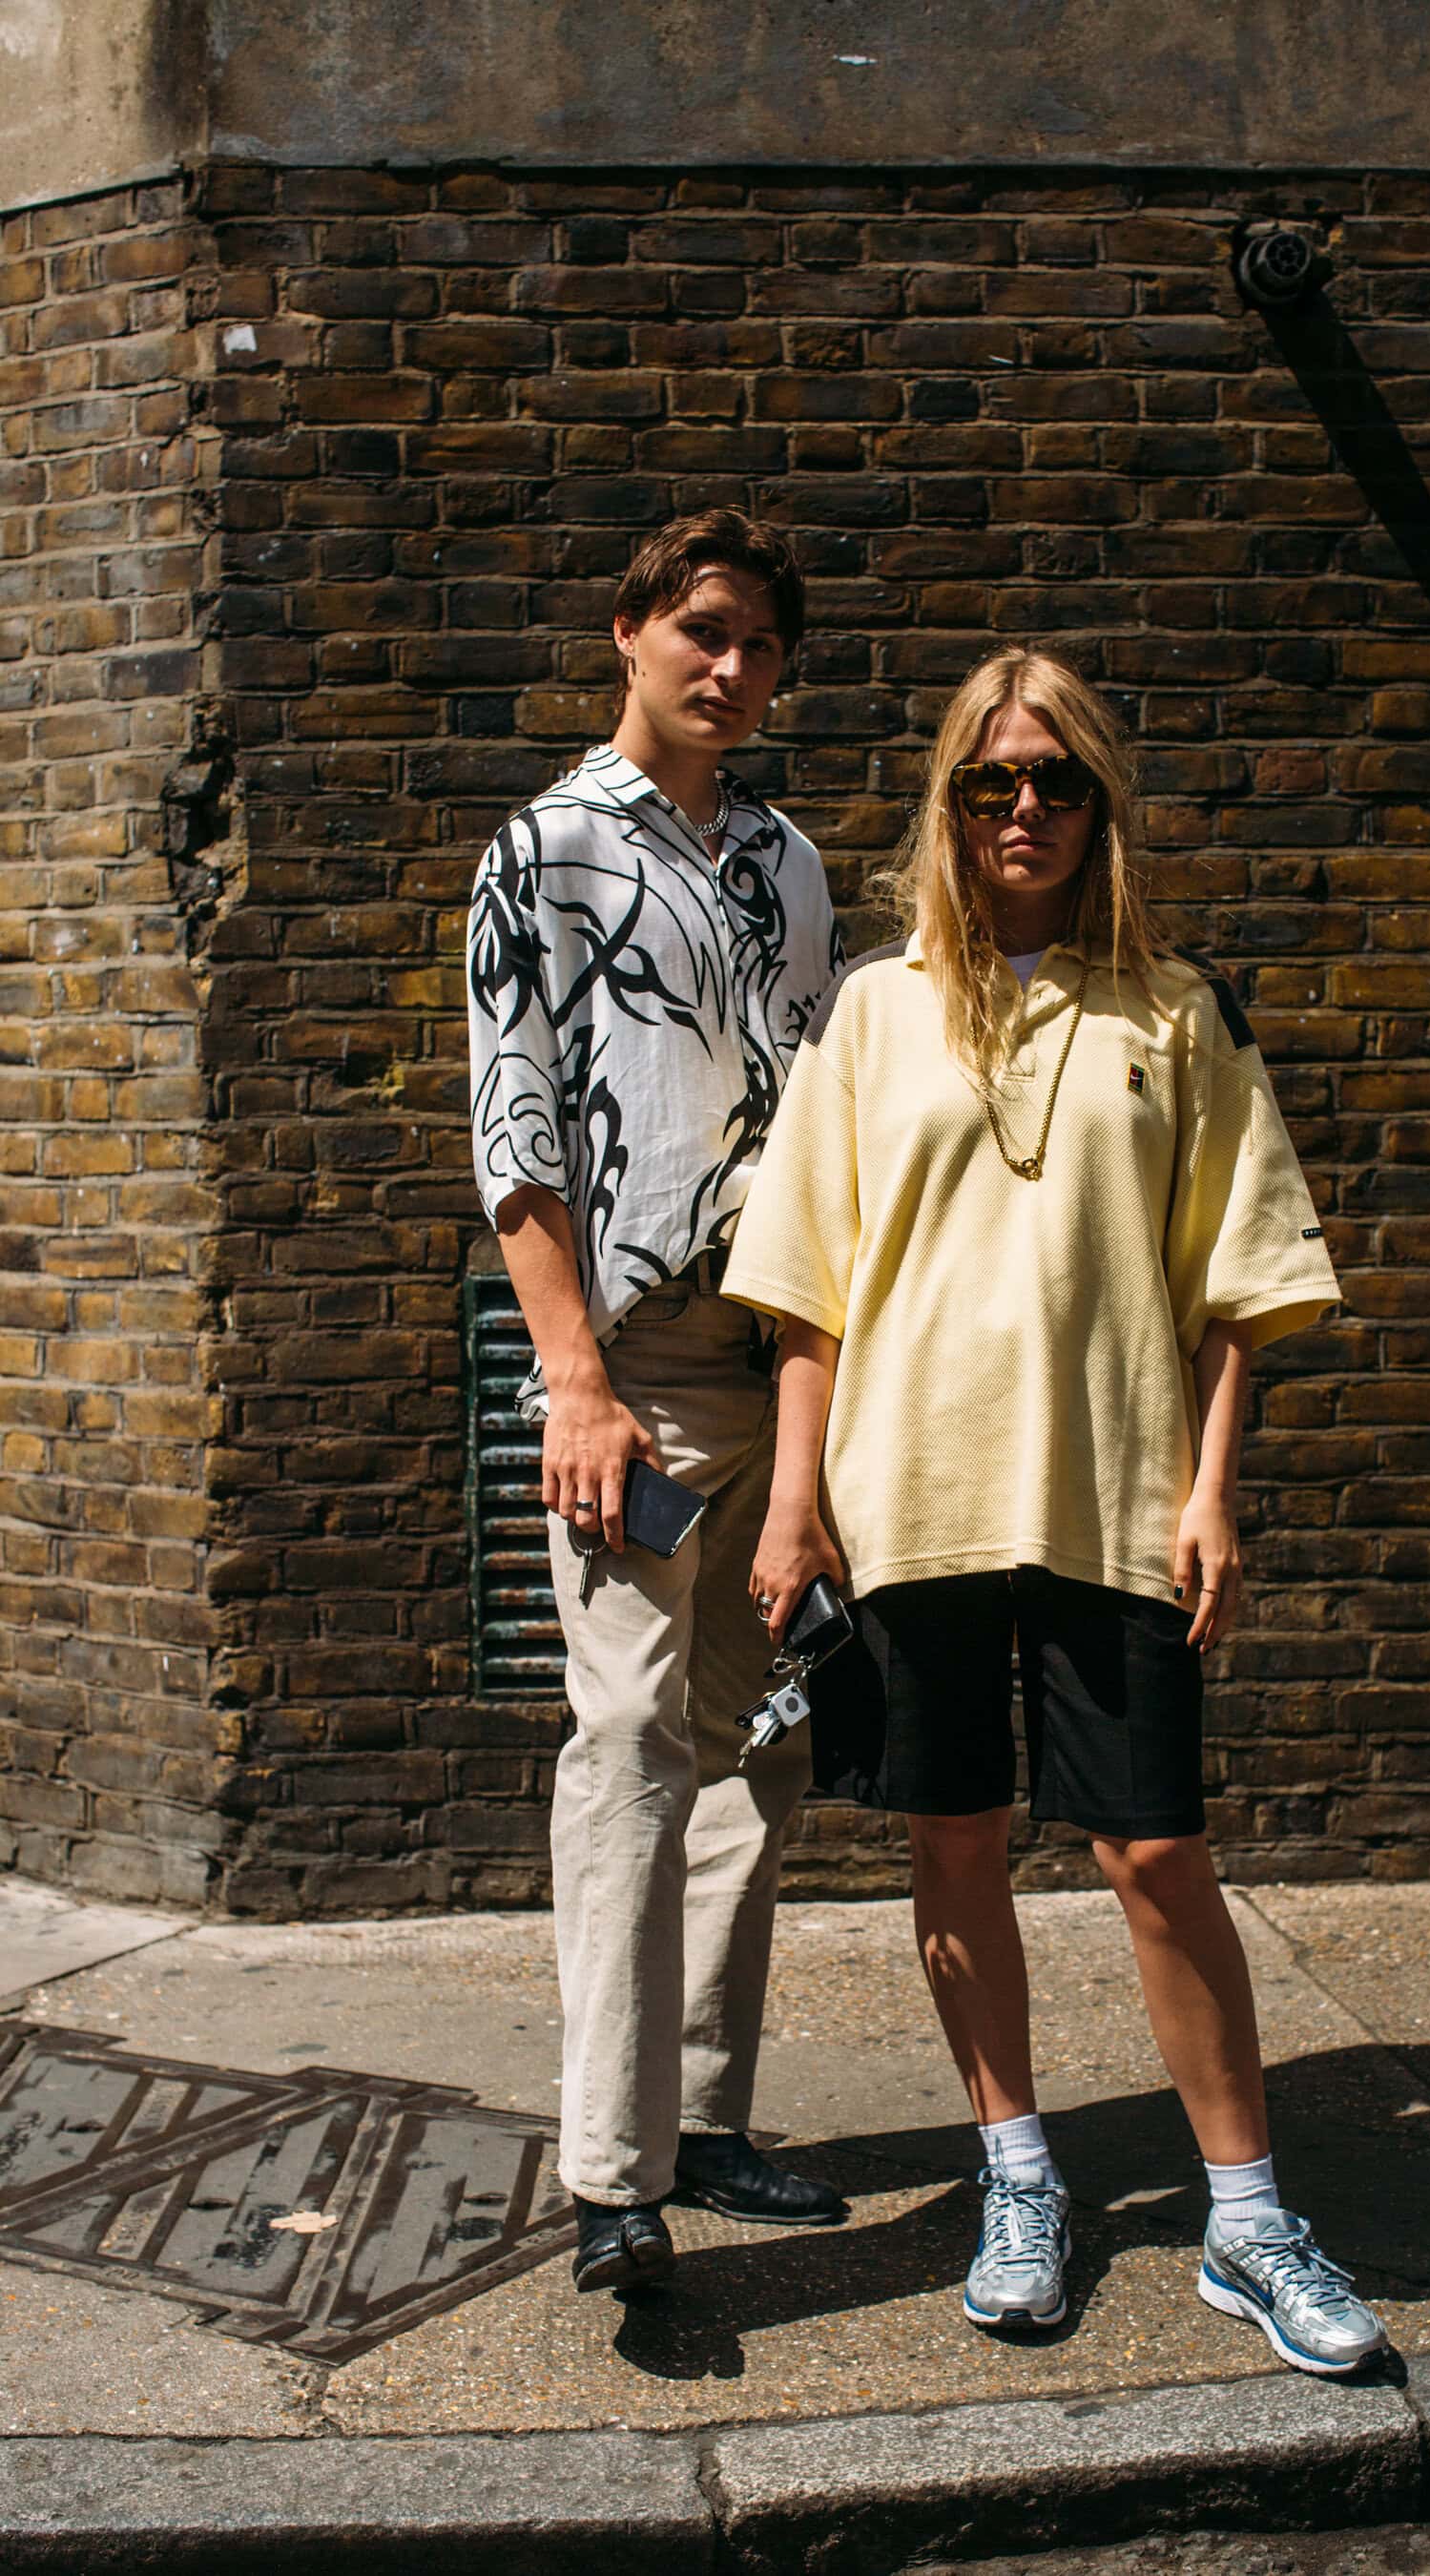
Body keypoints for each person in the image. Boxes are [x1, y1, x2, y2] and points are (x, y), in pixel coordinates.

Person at [721, 647, 1386, 2374]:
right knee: (953, 1839)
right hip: (909, 1497)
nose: (1025, 809)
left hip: (1116, 1497)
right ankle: (1018, 2175)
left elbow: (1238, 1285)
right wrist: (793, 1507)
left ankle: (1248, 2217)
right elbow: (808, 1296)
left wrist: (1216, 1491)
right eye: (991, 781)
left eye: (1058, 780)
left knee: (1156, 1850)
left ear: (1102, 804)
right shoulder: (874, 1013)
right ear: (949, 803)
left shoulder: (1176, 1010)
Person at [465, 509, 847, 2296]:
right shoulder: (544, 851)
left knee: (756, 1747)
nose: (732, 667)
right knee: (626, 1742)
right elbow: (516, 1137)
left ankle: (704, 2116)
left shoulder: (790, 863)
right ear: (629, 631)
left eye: (760, 644)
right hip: (633, 1372)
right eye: (704, 629)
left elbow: (826, 1134)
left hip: (782, 1351)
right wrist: (575, 1384)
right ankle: (613, 2175)